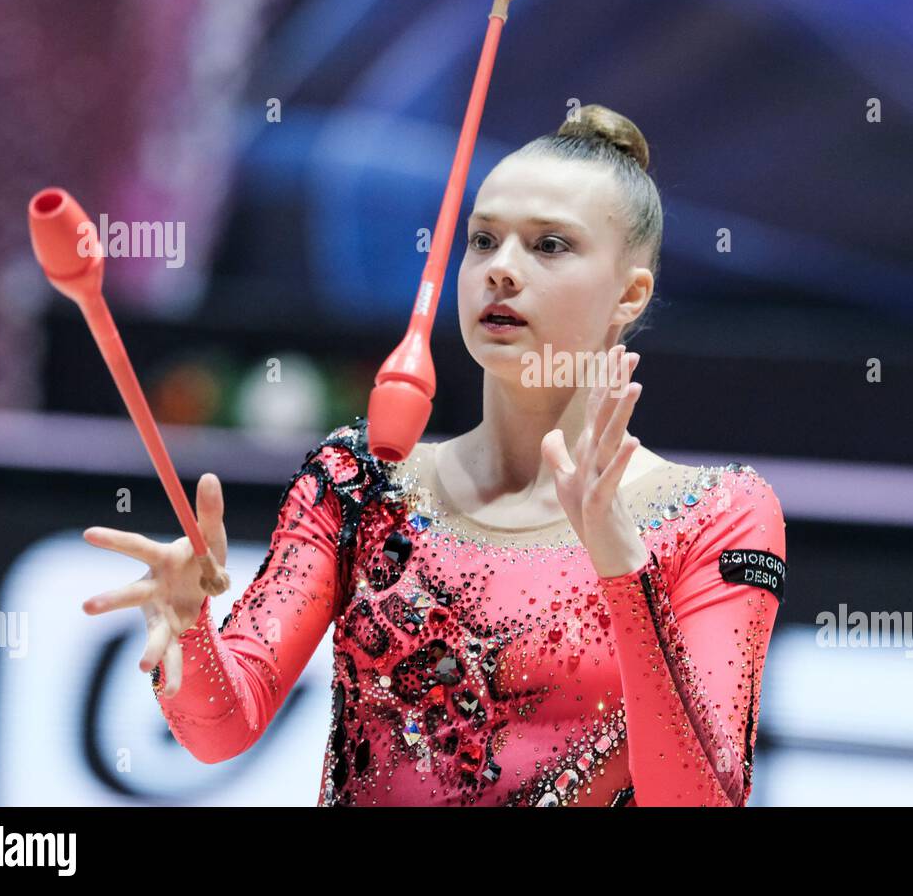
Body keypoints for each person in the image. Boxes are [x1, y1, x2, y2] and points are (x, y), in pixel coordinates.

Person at [80, 105, 787, 806]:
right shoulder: (360, 483)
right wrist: (190, 631)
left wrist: (621, 567)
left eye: (549, 246)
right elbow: (221, 730)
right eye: (483, 240)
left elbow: (703, 800)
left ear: (629, 294)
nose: (501, 270)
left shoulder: (714, 515)